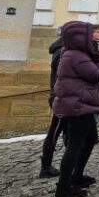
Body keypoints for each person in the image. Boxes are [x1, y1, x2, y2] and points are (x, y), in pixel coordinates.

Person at [52, 22, 99, 197]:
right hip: (79, 107)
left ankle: (76, 176)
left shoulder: (73, 54)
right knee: (75, 146)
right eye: (89, 35)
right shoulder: (75, 55)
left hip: (81, 104)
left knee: (89, 141)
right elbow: (97, 74)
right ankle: (63, 187)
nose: (92, 38)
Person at [39, 27, 64, 178]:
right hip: (60, 96)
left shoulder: (60, 49)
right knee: (55, 131)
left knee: (56, 130)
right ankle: (46, 166)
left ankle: (47, 165)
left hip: (59, 96)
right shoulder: (61, 51)